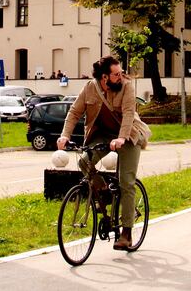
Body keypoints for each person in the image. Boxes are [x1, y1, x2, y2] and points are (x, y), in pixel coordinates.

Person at [57, 55, 151, 251]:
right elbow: (74, 112)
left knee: (126, 182)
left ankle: (126, 233)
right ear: (104, 77)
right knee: (83, 162)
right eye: (116, 74)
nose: (121, 76)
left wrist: (122, 138)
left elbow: (127, 114)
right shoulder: (90, 88)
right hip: (102, 134)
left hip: (129, 134)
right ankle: (104, 191)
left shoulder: (127, 86)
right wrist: (64, 135)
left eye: (120, 72)